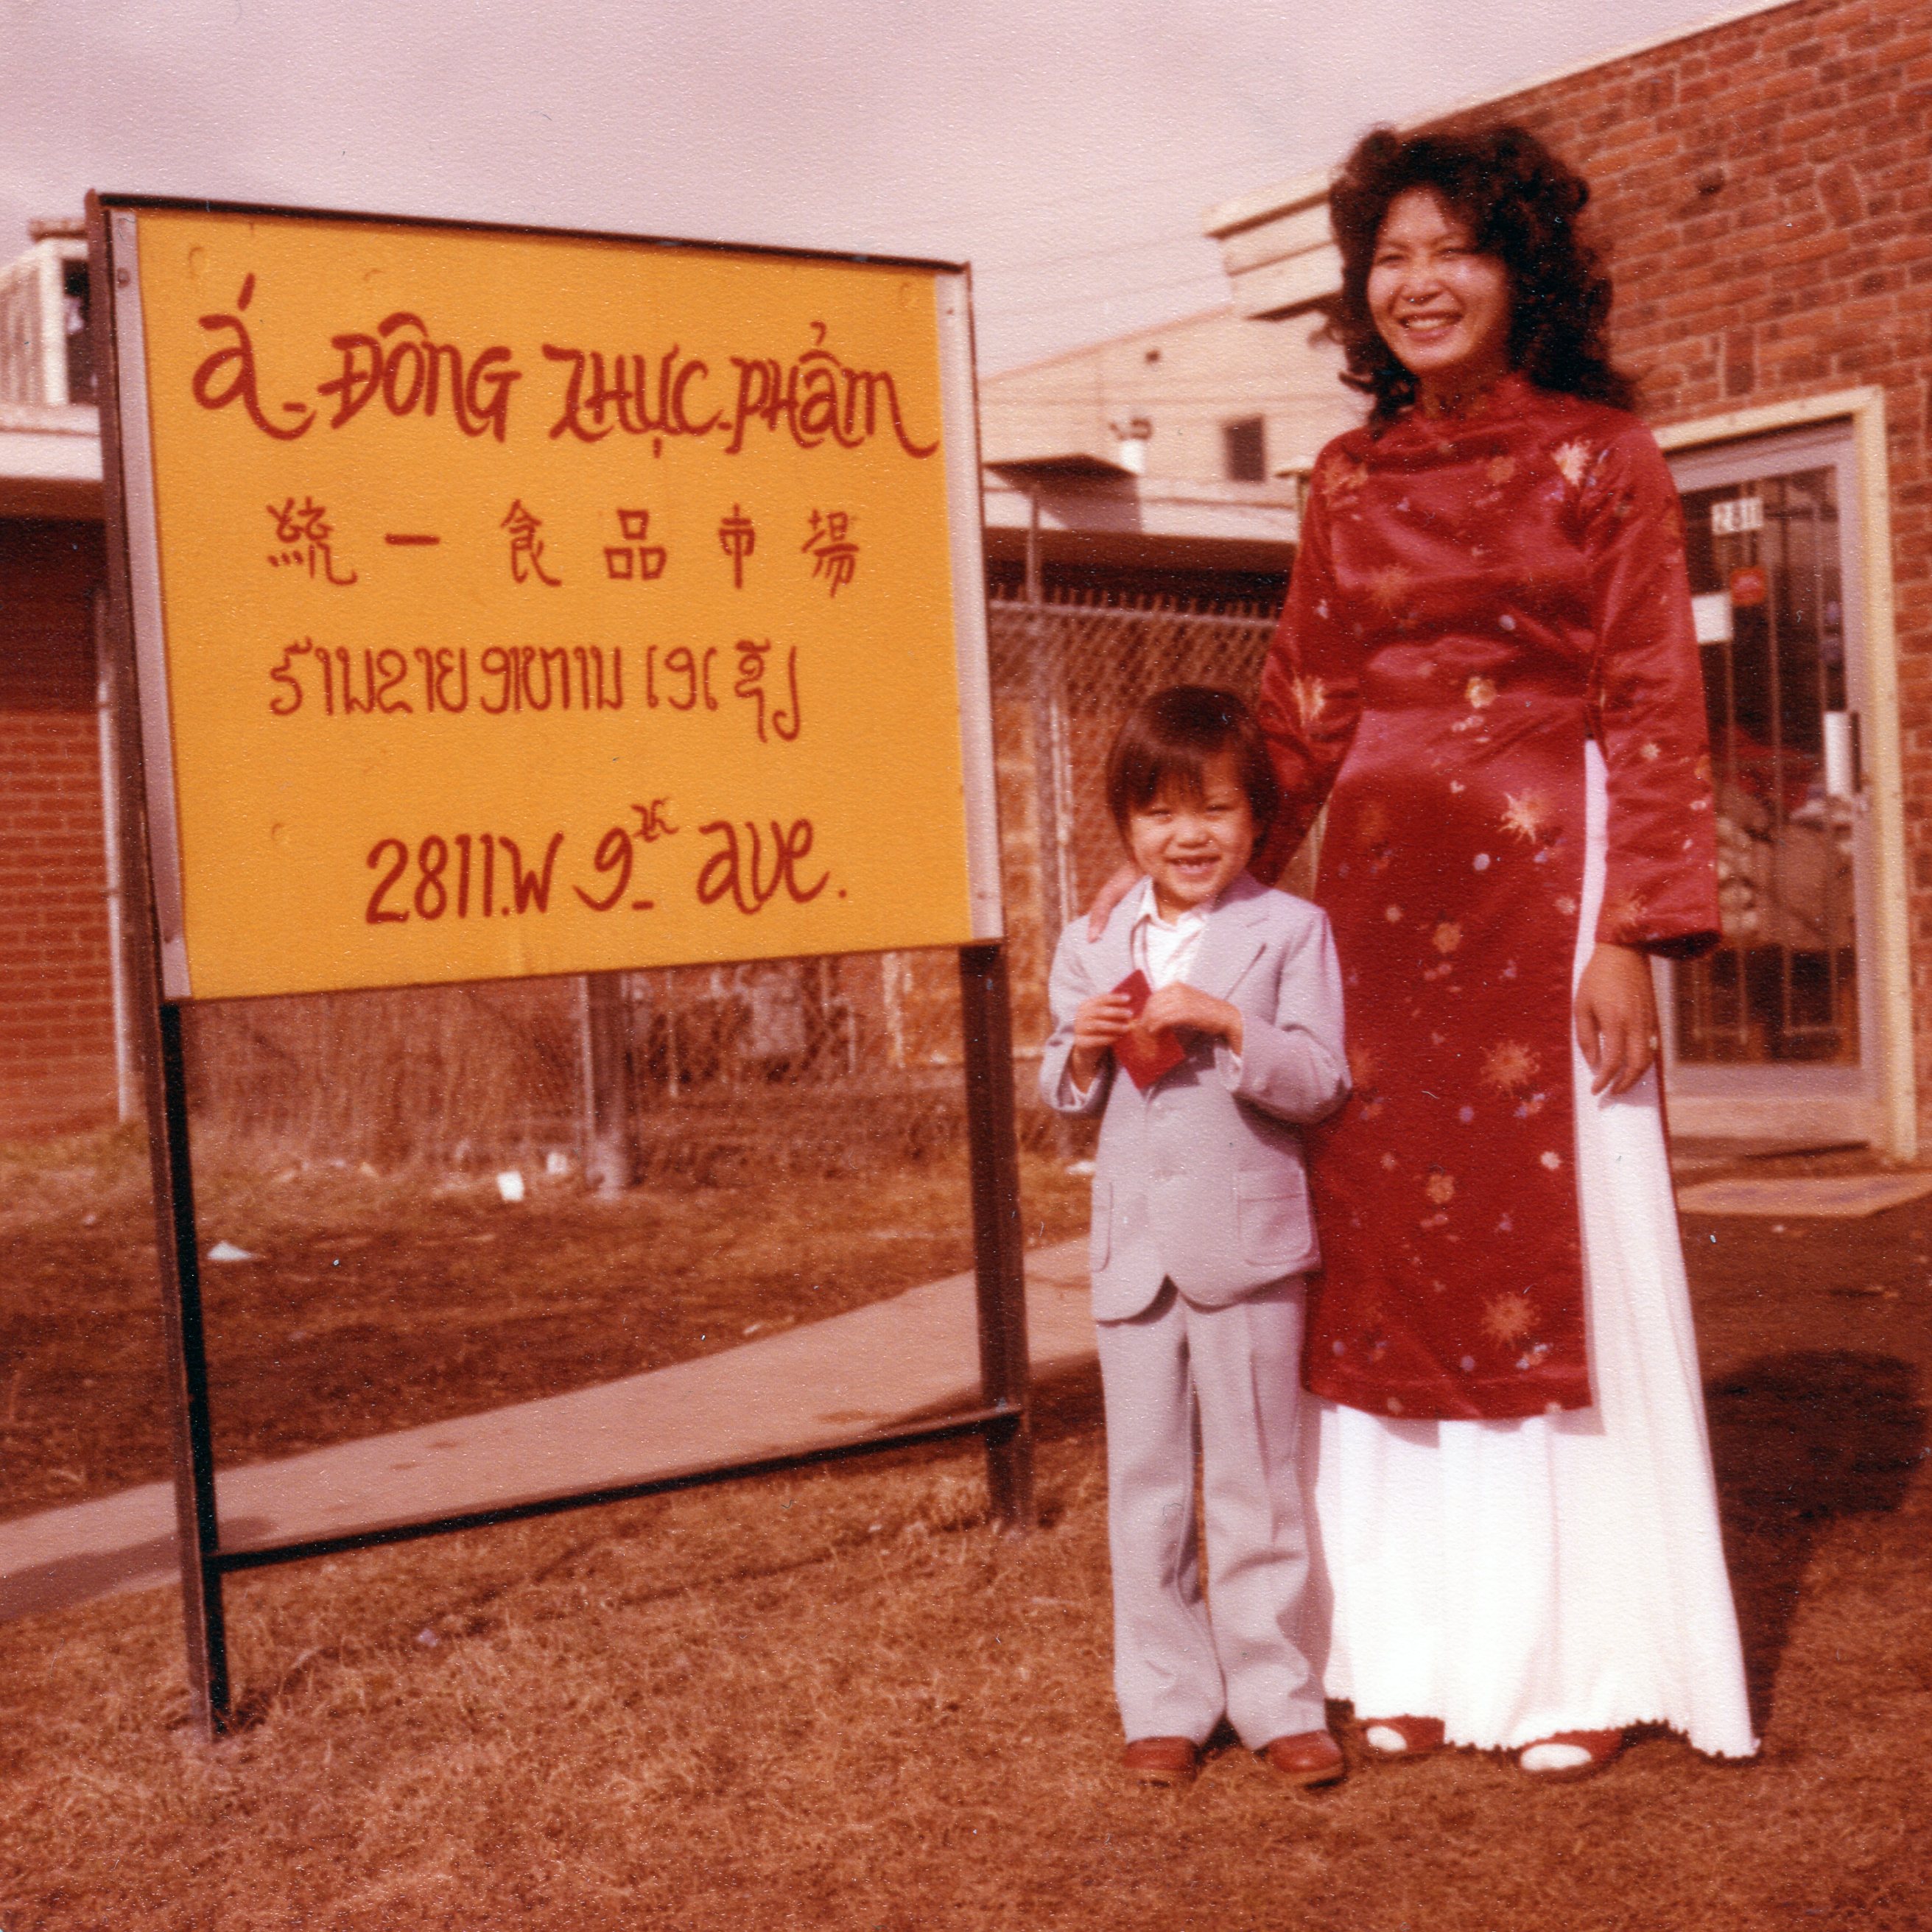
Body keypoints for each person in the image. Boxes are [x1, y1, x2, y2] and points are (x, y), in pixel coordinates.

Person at [1251, 123, 1757, 1777]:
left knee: (1561, 1258)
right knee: (1385, 1259)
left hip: (1555, 892)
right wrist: (1196, 901)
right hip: (1377, 912)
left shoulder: (1604, 457)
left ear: (1516, 267)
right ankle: (1403, 1644)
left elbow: (1649, 704)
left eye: (1449, 250)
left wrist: (1632, 933)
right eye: (1388, 257)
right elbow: (1300, 713)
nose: (1415, 284)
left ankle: (1575, 1660)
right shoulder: (1343, 479)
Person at [1041, 686, 1351, 1790]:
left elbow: (1320, 1079)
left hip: (1251, 1249)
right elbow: (1062, 1086)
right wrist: (1077, 1049)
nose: (1189, 836)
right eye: (1163, 813)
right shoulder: (1094, 939)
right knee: (1148, 1483)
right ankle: (1165, 1701)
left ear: (1257, 821)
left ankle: (1278, 1698)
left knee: (1260, 1482)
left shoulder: (1291, 931)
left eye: (1216, 810)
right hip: (1136, 1257)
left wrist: (1231, 1024)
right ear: (1128, 824)